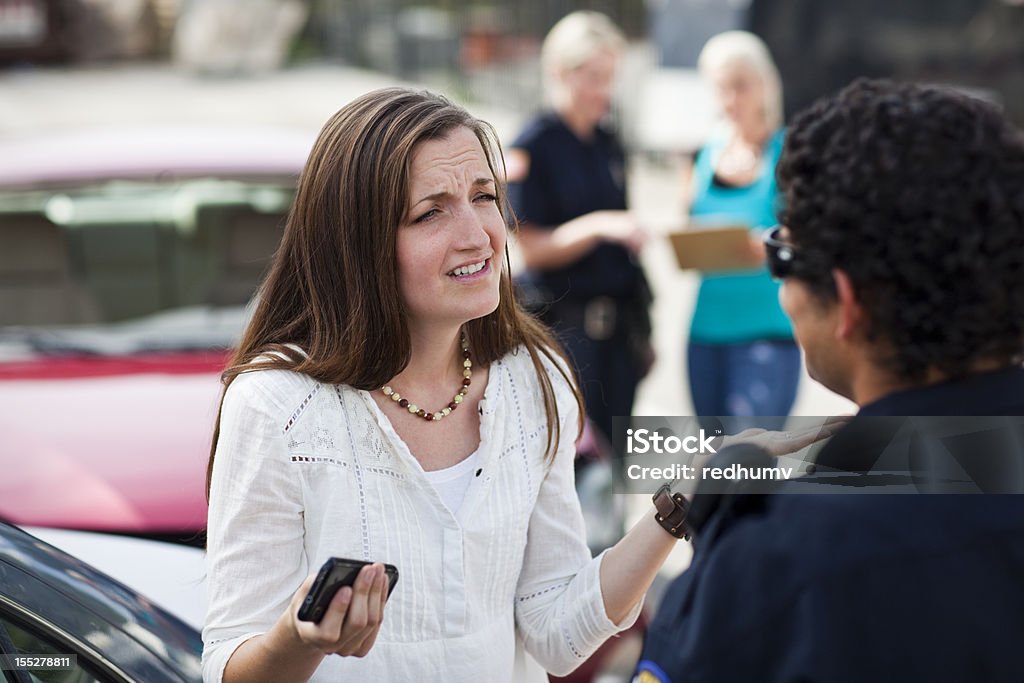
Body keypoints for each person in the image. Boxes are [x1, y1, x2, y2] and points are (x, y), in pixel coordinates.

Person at [201, 86, 690, 683]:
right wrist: (301, 639)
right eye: (431, 211)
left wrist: (676, 509)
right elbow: (228, 664)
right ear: (358, 244)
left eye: (484, 196)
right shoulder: (276, 403)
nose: (478, 235)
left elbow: (557, 634)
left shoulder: (535, 379)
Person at [635, 79, 1024, 682]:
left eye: (780, 254)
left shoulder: (782, 563)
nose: (780, 287)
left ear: (847, 302)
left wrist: (713, 540)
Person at [506, 11, 652, 448]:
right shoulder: (532, 144)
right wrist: (599, 227)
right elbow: (528, 250)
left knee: (617, 471)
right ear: (559, 72)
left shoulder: (608, 140)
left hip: (619, 336)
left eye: (610, 78)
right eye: (593, 77)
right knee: (570, 466)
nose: (604, 91)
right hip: (565, 333)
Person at [683, 31, 798, 428]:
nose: (730, 99)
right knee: (713, 462)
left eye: (740, 86)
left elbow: (814, 239)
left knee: (748, 462)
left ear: (765, 85)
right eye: (721, 88)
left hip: (767, 331)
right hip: (706, 329)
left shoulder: (789, 152)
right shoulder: (706, 153)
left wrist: (766, 244)